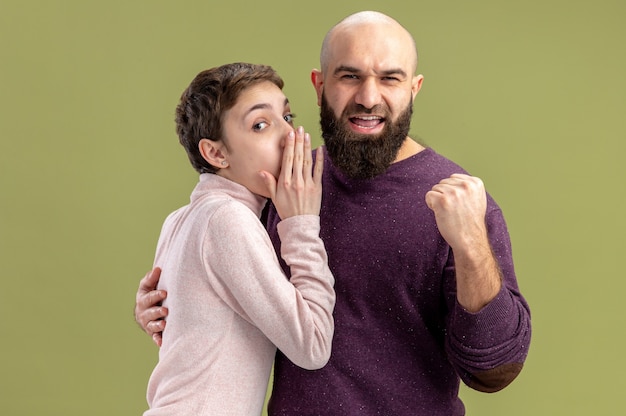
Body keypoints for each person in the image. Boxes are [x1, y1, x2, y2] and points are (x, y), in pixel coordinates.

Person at [135, 11, 531, 415]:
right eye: (350, 76)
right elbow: (214, 266)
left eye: (390, 78)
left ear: (414, 89)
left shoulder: (458, 201)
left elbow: (494, 368)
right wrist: (166, 304)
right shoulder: (280, 185)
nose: (369, 97)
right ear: (320, 85)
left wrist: (471, 246)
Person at [142, 63, 335, 415]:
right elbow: (314, 345)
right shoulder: (226, 220)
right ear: (216, 153)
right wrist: (301, 224)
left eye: (287, 117)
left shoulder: (180, 220)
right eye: (260, 124)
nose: (290, 136)